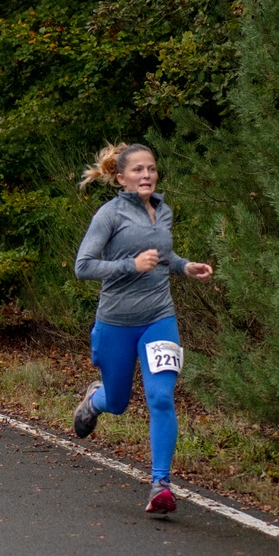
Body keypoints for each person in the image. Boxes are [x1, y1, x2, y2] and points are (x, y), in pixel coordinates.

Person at [73, 142, 214, 515]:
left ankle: (160, 484)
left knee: (162, 397)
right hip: (116, 321)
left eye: (151, 168)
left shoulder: (163, 211)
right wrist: (129, 266)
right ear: (121, 178)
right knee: (117, 403)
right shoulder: (109, 214)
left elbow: (162, 258)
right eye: (137, 170)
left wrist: (184, 267)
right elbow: (83, 266)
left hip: (159, 318)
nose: (146, 175)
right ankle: (94, 400)